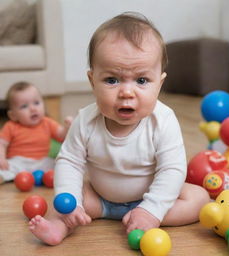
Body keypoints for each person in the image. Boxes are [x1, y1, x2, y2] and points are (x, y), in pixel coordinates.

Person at [29, 12, 210, 245]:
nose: (126, 92)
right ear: (92, 81)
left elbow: (172, 170)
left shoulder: (163, 120)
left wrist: (152, 209)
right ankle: (58, 226)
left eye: (142, 81)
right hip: (99, 199)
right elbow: (69, 162)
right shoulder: (85, 120)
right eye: (112, 80)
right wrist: (71, 199)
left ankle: (144, 217)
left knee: (199, 198)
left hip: (150, 197)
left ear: (160, 84)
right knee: (68, 200)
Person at [0, 81, 72, 184]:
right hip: (19, 161)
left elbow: (61, 136)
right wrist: (1, 159)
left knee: (60, 164)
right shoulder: (11, 126)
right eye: (24, 106)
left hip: (42, 161)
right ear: (13, 115)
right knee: (7, 167)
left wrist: (67, 128)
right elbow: (1, 144)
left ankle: (60, 177)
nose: (33, 109)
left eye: (36, 103)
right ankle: (2, 176)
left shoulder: (47, 123)